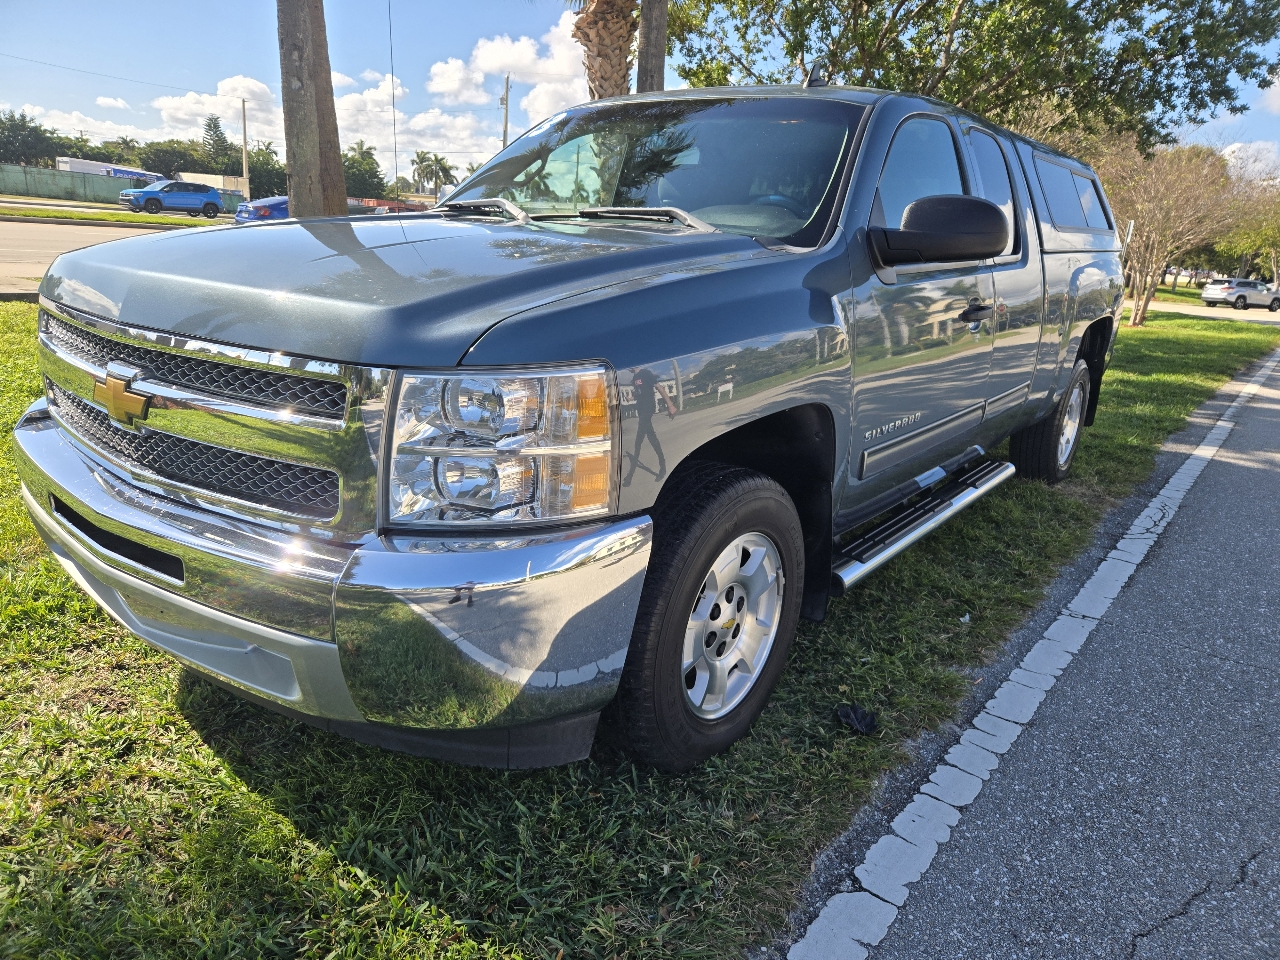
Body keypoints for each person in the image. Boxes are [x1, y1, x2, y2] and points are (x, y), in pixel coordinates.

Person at [624, 367, 677, 485]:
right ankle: (662, 467)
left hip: (648, 409)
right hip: (641, 410)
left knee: (638, 442)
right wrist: (631, 398)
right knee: (652, 438)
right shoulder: (635, 378)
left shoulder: (646, 373)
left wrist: (670, 405)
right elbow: (639, 393)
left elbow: (660, 388)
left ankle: (630, 476)